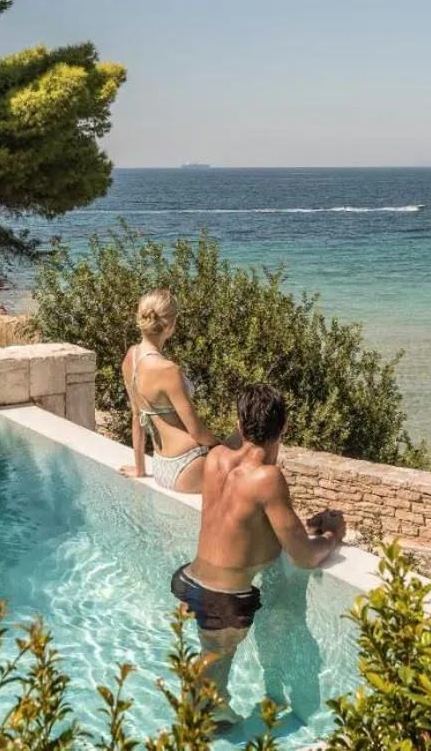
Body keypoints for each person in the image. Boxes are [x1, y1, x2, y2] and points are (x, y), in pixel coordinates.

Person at [171, 384, 346, 729]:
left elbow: (242, 523)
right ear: (286, 426)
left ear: (239, 423)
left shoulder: (217, 458)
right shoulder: (267, 478)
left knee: (210, 668)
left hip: (191, 581)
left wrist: (299, 527)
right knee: (210, 685)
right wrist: (331, 536)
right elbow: (304, 556)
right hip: (225, 599)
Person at [120, 289, 219, 492]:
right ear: (170, 325)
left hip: (162, 466)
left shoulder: (131, 358)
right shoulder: (168, 370)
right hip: (188, 464)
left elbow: (136, 417)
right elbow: (197, 431)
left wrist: (140, 469)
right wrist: (221, 447)